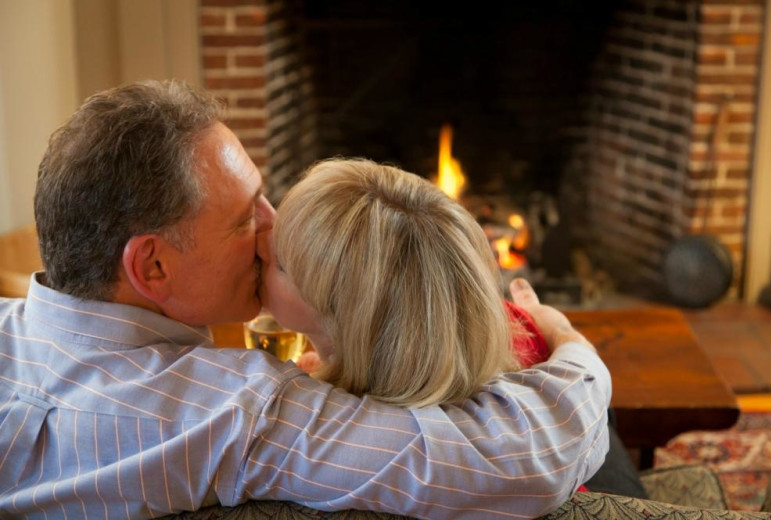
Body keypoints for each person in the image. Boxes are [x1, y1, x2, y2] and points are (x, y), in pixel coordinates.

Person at [0, 80, 612, 520]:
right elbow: (522, 461)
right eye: (245, 218)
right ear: (152, 265)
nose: (273, 227)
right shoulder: (227, 413)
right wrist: (571, 341)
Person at [263, 157, 550, 408]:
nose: (259, 244)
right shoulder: (524, 331)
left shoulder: (329, 424)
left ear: (345, 317)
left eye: (282, 265)